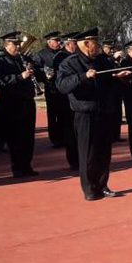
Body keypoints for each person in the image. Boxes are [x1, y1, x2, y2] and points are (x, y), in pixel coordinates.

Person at [56, 28, 132, 200]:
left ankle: (102, 185)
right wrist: (83, 76)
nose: (97, 46)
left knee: (104, 152)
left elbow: (109, 79)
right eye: (94, 43)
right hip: (85, 113)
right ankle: (90, 189)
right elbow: (62, 85)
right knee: (88, 153)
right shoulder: (69, 63)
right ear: (85, 44)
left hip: (104, 111)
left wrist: (119, 77)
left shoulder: (102, 61)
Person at [0, 31, 38, 178]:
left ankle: (27, 166)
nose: (18, 46)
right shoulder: (0, 62)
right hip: (12, 104)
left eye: (19, 44)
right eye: (15, 44)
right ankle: (17, 167)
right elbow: (0, 81)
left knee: (28, 137)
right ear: (7, 45)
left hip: (27, 101)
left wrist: (33, 71)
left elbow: (35, 72)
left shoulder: (22, 59)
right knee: (15, 137)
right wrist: (20, 76)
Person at [53, 32, 80, 170]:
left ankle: (80, 159)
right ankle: (73, 161)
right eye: (76, 43)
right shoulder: (60, 57)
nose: (78, 46)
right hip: (65, 99)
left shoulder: (76, 56)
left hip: (76, 99)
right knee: (70, 131)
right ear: (69, 44)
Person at [33, 31, 64, 149]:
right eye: (56, 41)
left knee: (64, 114)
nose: (58, 43)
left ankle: (64, 137)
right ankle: (55, 139)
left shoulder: (62, 53)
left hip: (63, 87)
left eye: (59, 40)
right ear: (49, 42)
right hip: (51, 88)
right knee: (52, 114)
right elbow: (35, 70)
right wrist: (44, 75)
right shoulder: (41, 54)